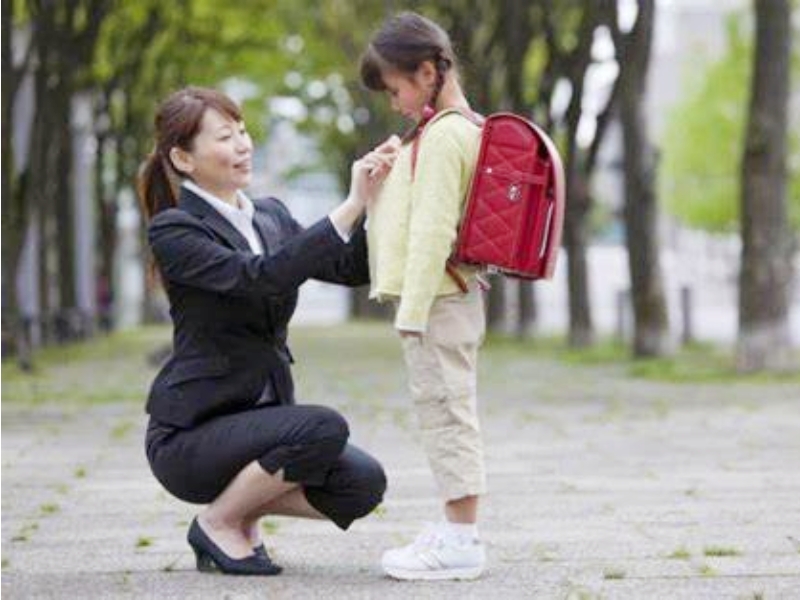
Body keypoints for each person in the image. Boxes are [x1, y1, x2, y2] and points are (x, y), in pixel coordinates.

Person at [139, 87, 398, 576]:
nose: (242, 145)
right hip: (189, 437)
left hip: (259, 423)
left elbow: (348, 264)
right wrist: (348, 204)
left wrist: (380, 199)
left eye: (243, 131)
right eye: (225, 136)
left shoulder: (271, 215)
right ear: (182, 157)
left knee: (362, 483)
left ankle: (240, 512)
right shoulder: (175, 230)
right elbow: (258, 277)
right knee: (322, 426)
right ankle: (218, 522)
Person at [359, 12, 489, 581]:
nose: (394, 102)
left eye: (396, 88)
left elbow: (434, 229)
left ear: (429, 71)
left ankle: (461, 540)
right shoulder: (456, 129)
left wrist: (410, 312)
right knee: (443, 410)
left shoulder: (446, 136)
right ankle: (455, 526)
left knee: (447, 415)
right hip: (445, 297)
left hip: (438, 300)